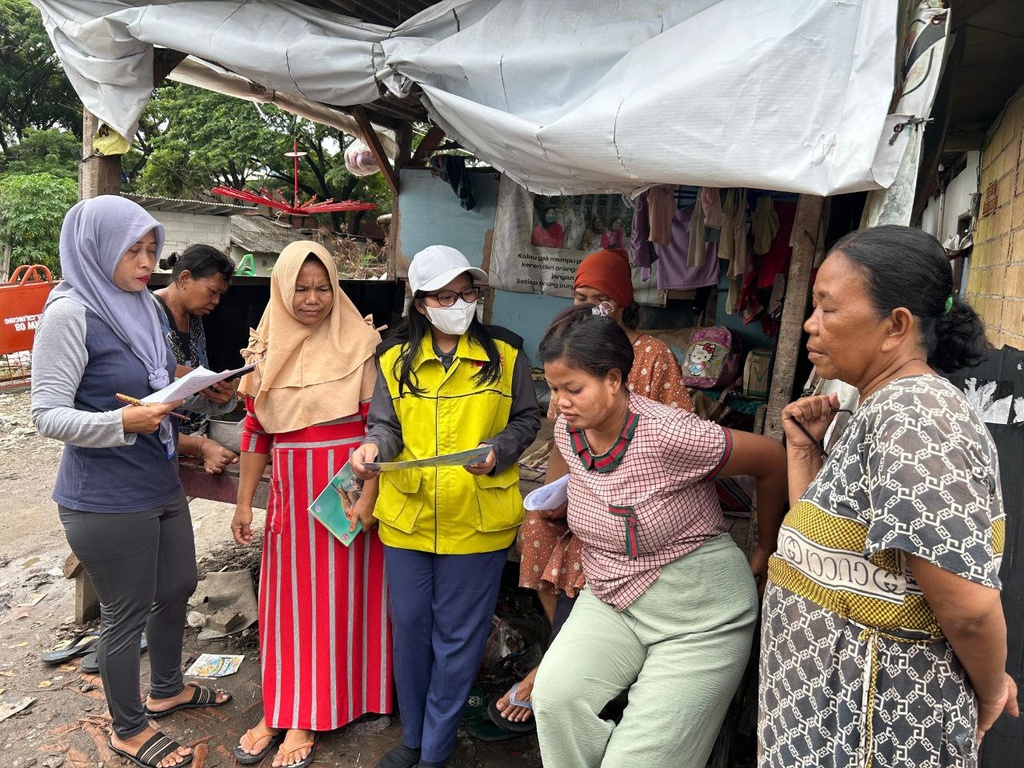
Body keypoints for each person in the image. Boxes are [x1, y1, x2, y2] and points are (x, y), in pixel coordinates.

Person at [759, 224, 1018, 768]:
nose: (810, 324)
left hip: (874, 731)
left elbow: (968, 610)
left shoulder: (916, 417)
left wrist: (992, 690)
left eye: (828, 309)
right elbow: (834, 556)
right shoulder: (876, 407)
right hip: (832, 722)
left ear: (895, 326)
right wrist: (805, 452)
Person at [530, 303, 787, 768]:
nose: (559, 402)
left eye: (572, 389)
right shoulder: (571, 430)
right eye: (553, 389)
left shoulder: (670, 434)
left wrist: (768, 547)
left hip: (700, 614)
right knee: (555, 700)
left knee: (637, 761)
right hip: (613, 593)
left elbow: (773, 459)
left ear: (613, 379)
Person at [31, 196, 231, 768]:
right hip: (104, 496)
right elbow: (45, 414)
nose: (148, 263)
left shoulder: (139, 306)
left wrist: (195, 382)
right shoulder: (71, 314)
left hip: (157, 479)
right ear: (95, 249)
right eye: (134, 251)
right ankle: (128, 727)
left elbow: (149, 376)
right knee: (127, 611)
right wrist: (122, 420)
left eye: (152, 250)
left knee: (177, 586)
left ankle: (167, 688)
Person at [349, 245, 540, 768]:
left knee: (460, 639)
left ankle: (434, 749)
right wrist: (372, 449)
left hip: (477, 520)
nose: (461, 303)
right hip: (409, 519)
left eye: (468, 293)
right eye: (447, 295)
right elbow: (386, 428)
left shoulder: (506, 354)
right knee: (410, 628)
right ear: (422, 303)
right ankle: (413, 736)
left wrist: (500, 451)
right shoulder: (393, 357)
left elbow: (527, 419)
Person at [495, 247, 693, 728]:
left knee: (592, 548)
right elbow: (563, 442)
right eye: (579, 296)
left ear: (622, 301)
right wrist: (551, 495)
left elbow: (683, 432)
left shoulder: (652, 355)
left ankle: (556, 669)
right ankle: (565, 653)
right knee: (538, 530)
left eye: (598, 298)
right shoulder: (570, 360)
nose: (586, 306)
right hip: (583, 484)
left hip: (639, 491)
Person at [231, 241, 391, 768]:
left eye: (323, 287)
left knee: (335, 606)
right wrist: (243, 505)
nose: (313, 298)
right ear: (281, 287)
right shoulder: (264, 347)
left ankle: (309, 715)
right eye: (301, 287)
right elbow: (256, 431)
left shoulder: (361, 343)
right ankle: (278, 707)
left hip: (343, 494)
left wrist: (365, 497)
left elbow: (381, 429)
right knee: (285, 609)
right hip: (290, 497)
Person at [153, 244, 238, 474]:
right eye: (212, 292)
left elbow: (195, 390)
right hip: (154, 440)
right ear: (185, 278)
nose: (216, 301)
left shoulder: (195, 319)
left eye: (221, 294)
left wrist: (221, 394)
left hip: (186, 439)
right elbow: (146, 384)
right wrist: (200, 447)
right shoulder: (147, 313)